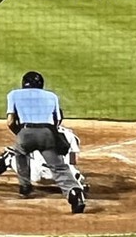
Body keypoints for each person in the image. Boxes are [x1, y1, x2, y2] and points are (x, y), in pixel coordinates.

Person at [6, 70, 87, 213]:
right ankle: (74, 193)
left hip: (25, 132)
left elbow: (10, 121)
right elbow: (57, 120)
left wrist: (21, 134)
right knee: (59, 167)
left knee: (20, 153)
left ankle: (25, 186)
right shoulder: (52, 96)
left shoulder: (13, 94)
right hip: (48, 132)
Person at [0, 125, 88, 192]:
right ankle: (77, 182)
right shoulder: (71, 135)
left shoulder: (32, 132)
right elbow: (73, 161)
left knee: (10, 154)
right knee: (69, 168)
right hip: (63, 178)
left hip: (37, 176)